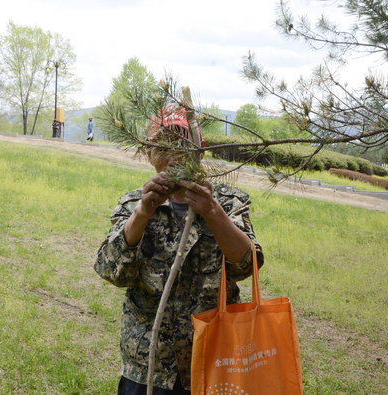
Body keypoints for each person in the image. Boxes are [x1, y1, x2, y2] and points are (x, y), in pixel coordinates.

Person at [94, 105, 264, 395]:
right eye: (162, 145)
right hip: (148, 365)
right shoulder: (133, 204)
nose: (173, 155)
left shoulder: (229, 201)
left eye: (182, 143)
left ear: (201, 149)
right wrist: (142, 214)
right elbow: (112, 272)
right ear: (148, 154)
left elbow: (246, 266)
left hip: (214, 359)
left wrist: (212, 211)